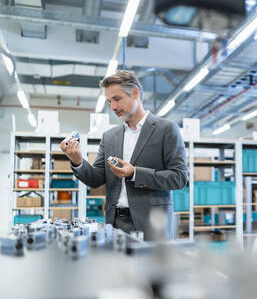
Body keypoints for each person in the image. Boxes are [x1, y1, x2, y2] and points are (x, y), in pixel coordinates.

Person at [60, 70, 188, 240]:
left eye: (117, 99)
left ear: (135, 93)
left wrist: (135, 173)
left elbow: (179, 178)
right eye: (109, 101)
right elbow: (96, 179)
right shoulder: (110, 136)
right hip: (115, 224)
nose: (112, 107)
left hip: (151, 225)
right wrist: (77, 161)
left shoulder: (167, 130)